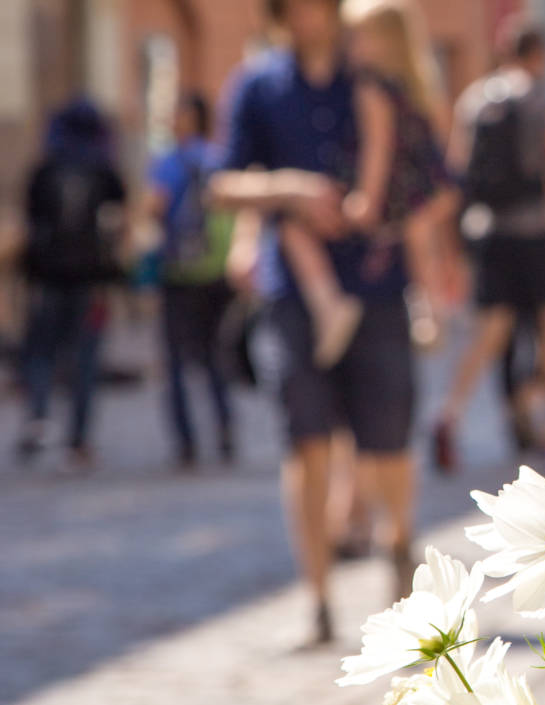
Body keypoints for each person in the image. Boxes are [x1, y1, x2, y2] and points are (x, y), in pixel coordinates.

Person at [208, 0, 421, 644]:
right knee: (306, 441)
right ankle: (319, 598)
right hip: (295, 294)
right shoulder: (257, 87)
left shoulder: (376, 81)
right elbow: (222, 184)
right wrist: (289, 190)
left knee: (388, 440)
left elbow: (427, 174)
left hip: (378, 281)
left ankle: (400, 560)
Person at [434, 20, 545, 468]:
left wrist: (452, 245)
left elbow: (456, 170)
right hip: (537, 230)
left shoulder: (474, 98)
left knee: (489, 330)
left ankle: (449, 412)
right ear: (540, 54)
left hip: (488, 231)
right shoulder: (541, 98)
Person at [277, 0, 456, 367]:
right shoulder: (416, 88)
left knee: (292, 227)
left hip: (385, 197)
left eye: (356, 38)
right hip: (418, 194)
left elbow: (378, 148)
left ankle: (329, 307)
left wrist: (366, 202)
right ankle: (429, 311)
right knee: (418, 241)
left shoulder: (370, 88)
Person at [15, 99, 128, 468]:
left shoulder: (46, 168)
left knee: (42, 351)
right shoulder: (102, 168)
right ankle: (77, 440)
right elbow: (118, 221)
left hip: (47, 276)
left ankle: (39, 416)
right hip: (90, 279)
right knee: (85, 358)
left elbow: (29, 224)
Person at [143, 93, 237, 470]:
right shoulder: (217, 158)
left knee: (177, 362)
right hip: (216, 271)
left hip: (178, 272)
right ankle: (225, 429)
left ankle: (186, 442)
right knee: (215, 355)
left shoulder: (168, 162)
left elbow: (154, 207)